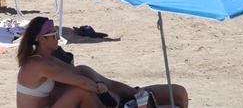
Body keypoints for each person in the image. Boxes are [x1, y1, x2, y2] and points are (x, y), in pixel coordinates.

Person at [16, 17, 188, 108]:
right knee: (81, 91)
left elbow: (78, 72)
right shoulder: (38, 65)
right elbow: (80, 82)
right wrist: (102, 91)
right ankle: (121, 100)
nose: (58, 37)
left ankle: (133, 95)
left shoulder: (47, 59)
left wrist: (99, 83)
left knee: (84, 71)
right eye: (54, 34)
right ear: (42, 40)